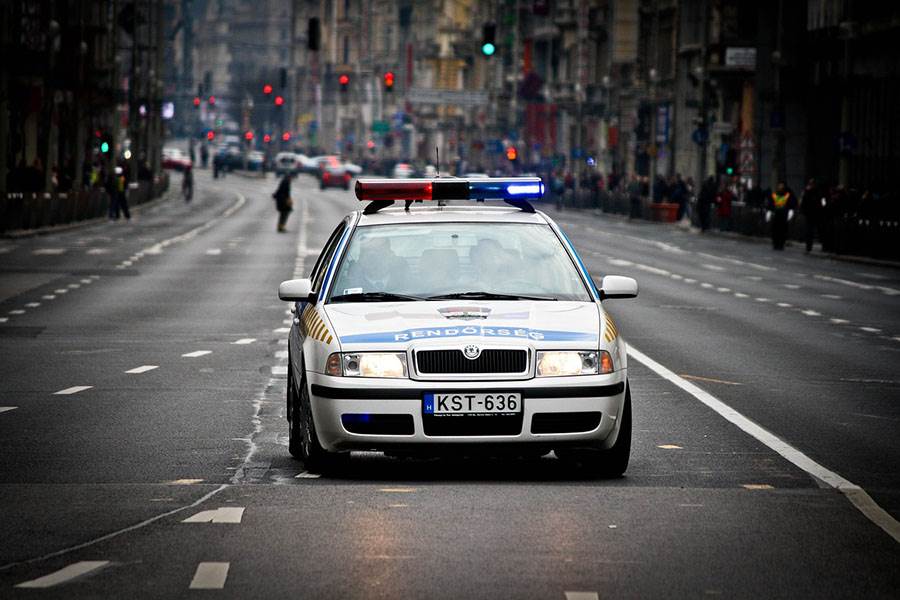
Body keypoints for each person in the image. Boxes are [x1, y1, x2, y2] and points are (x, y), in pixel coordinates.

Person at [765, 181, 797, 250]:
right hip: (776, 215)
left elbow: (792, 203)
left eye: (782, 186)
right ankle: (775, 243)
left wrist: (791, 211)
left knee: (783, 230)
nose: (780, 187)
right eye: (779, 186)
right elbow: (771, 204)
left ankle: (781, 244)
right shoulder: (775, 195)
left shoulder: (788, 195)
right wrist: (769, 212)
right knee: (775, 230)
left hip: (783, 216)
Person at [800, 178, 823, 252]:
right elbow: (803, 202)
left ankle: (821, 245)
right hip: (810, 213)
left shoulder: (817, 192)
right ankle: (808, 246)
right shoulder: (807, 192)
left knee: (817, 229)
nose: (811, 185)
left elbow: (820, 202)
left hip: (816, 213)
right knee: (809, 230)